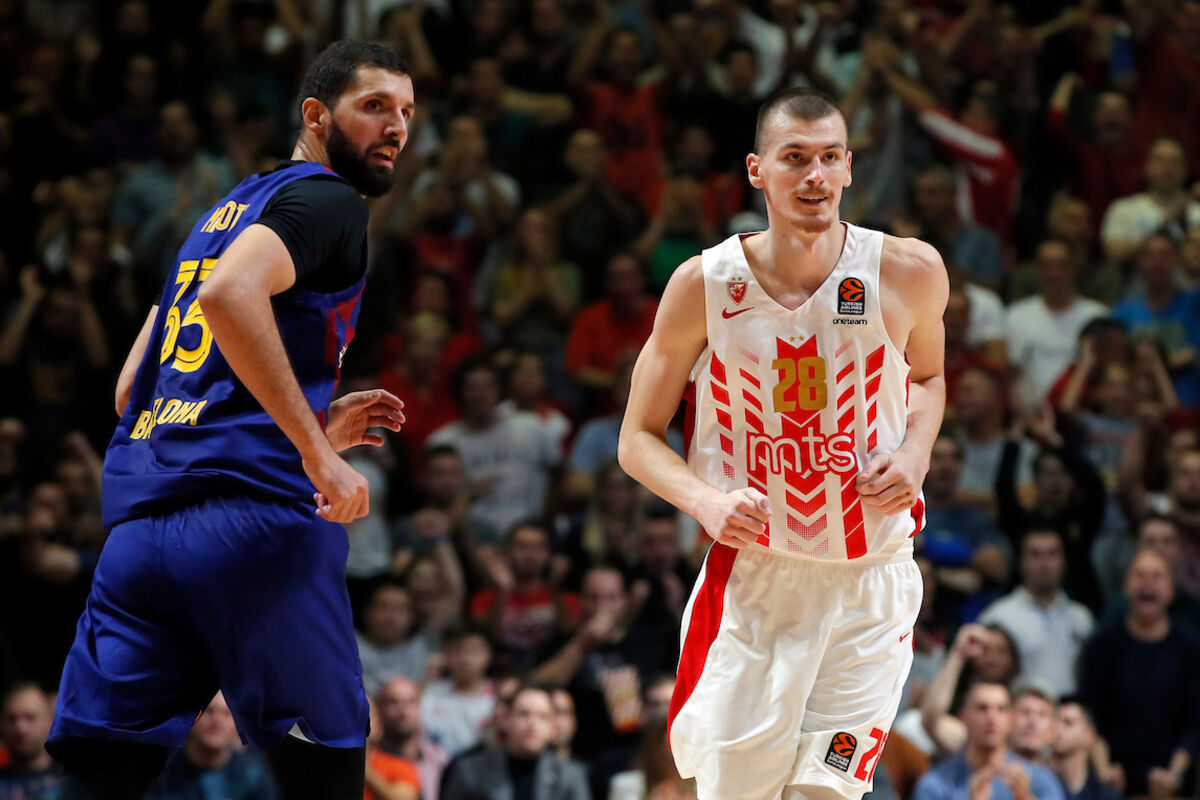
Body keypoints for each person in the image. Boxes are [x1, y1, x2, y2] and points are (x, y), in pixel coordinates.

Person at [45, 41, 416, 800]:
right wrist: (316, 453)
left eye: (408, 112)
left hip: (139, 544)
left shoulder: (221, 215)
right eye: (375, 106)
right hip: (253, 535)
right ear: (316, 115)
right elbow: (230, 297)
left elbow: (133, 388)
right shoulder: (328, 201)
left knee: (99, 781)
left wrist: (306, 423)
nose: (397, 127)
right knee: (326, 779)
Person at [617, 87, 948, 800]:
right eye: (795, 158)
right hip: (757, 582)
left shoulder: (908, 270)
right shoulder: (702, 285)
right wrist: (704, 501)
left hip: (871, 583)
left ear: (850, 167)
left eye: (829, 157)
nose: (814, 176)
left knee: (828, 791)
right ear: (756, 170)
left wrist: (915, 454)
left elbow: (929, 377)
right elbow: (636, 439)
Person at [1077, 548, 1200, 799]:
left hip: (1174, 780)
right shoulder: (1102, 646)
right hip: (1114, 780)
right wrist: (1104, 770)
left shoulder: (1190, 646)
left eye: (1157, 576)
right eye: (1140, 575)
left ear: (1171, 589)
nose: (1147, 583)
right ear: (1126, 587)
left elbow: (1196, 720)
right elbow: (1090, 715)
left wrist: (1174, 774)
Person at [977, 530, 1094, 696]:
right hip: (1020, 706)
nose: (1044, 563)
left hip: (1072, 705)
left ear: (1064, 562)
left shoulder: (1081, 617)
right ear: (1021, 562)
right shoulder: (999, 616)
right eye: (1035, 554)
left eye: (1052, 554)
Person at [911, 681, 1064, 800]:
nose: (992, 718)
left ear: (1010, 719)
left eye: (1001, 709)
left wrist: (1024, 797)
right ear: (964, 717)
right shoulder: (937, 781)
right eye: (982, 708)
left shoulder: (1038, 782)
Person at [438, 685, 590, 800]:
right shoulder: (470, 771)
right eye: (524, 714)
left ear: (553, 728)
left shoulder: (570, 776)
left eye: (542, 717)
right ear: (507, 720)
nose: (532, 724)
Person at [144, 693, 279, 800]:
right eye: (209, 712)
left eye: (226, 714)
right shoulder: (165, 770)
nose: (217, 722)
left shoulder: (253, 772)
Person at [375, 677, 451, 800]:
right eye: (393, 702)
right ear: (379, 709)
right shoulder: (371, 760)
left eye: (410, 702)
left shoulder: (439, 760)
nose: (403, 711)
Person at [0, 683, 64, 799]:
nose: (20, 728)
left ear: (49, 723)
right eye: (11, 719)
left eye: (30, 717)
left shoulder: (70, 784)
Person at [1048, 699, 1121, 800]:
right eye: (1054, 722)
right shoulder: (1035, 782)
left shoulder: (1105, 794)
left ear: (1090, 733)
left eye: (1068, 722)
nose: (1057, 728)